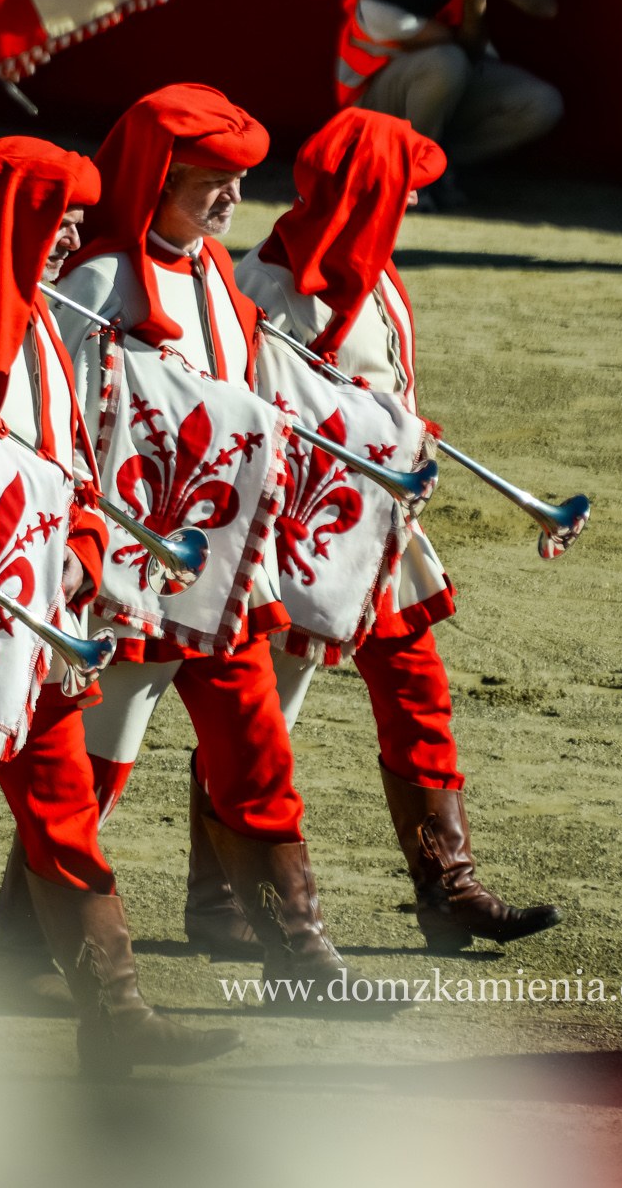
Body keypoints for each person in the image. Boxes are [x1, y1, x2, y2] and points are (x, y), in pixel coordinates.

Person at [0, 137, 241, 1071]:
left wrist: (82, 552)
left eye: (80, 217)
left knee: (65, 807)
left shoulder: (45, 322)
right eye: (59, 218)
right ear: (10, 222)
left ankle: (117, 1018)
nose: (75, 235)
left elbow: (74, 469)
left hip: (35, 623)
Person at [48, 85, 401, 1005]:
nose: (232, 202)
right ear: (156, 180)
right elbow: (64, 425)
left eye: (240, 182)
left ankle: (303, 948)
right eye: (212, 182)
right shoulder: (95, 281)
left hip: (225, 568)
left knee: (255, 751)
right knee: (96, 770)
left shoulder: (216, 276)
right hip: (128, 571)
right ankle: (29, 953)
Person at [230, 107, 563, 953]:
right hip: (297, 539)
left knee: (419, 694)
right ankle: (219, 900)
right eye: (405, 190)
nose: (414, 204)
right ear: (373, 194)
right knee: (263, 722)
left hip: (378, 535)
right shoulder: (261, 289)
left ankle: (450, 887)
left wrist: (410, 432)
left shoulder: (374, 274)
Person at [334, 0, 562, 204]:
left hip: (439, 95)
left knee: (541, 103)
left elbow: (545, 6)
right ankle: (412, 179)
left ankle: (438, 165)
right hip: (374, 109)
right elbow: (465, 51)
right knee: (447, 61)